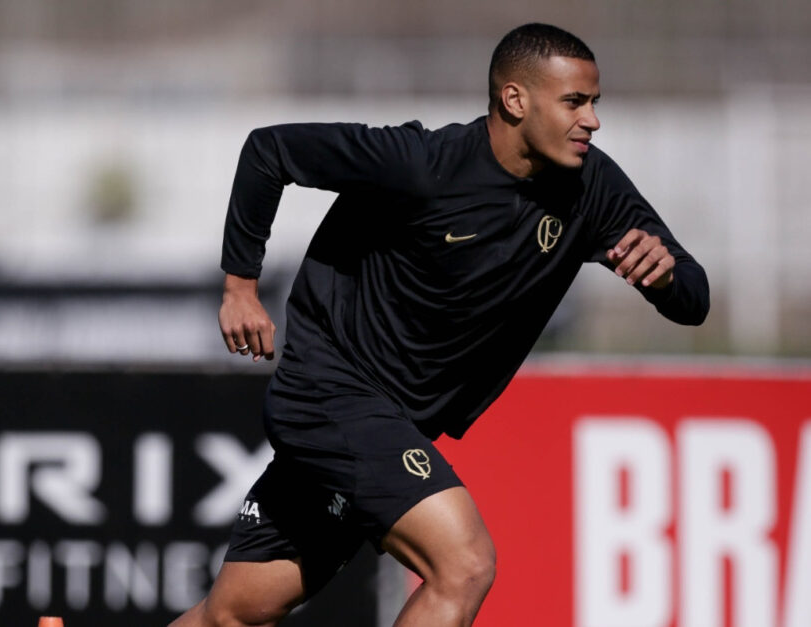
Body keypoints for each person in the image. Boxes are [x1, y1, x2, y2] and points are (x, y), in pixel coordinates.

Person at [170, 22, 709, 627]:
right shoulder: (421, 163)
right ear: (514, 99)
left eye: (594, 103)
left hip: (392, 420)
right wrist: (240, 287)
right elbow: (269, 151)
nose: (592, 120)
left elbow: (693, 296)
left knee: (235, 613)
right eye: (574, 102)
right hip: (331, 396)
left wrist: (665, 279)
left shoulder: (591, 187)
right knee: (466, 564)